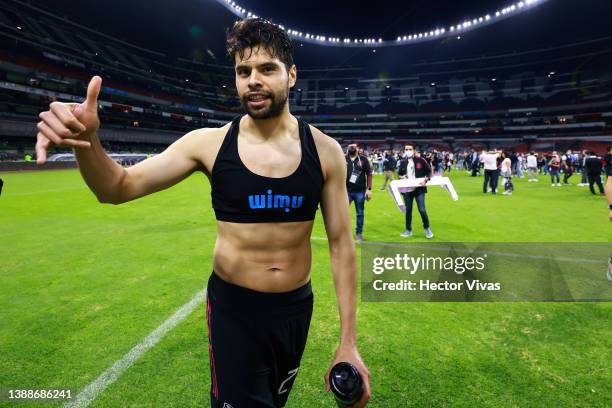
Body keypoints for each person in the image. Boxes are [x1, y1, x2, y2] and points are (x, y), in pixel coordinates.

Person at [34, 18, 370, 408]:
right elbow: (116, 188)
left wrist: (348, 342)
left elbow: (342, 246)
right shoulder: (207, 145)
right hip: (235, 312)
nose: (253, 80)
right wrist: (86, 141)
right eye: (243, 71)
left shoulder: (325, 151)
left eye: (266, 69)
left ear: (291, 75)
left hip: (295, 310)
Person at [397, 144, 434, 239]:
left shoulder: (421, 160)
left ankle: (427, 228)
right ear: (404, 151)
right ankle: (408, 230)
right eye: (406, 149)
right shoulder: (402, 162)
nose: (408, 150)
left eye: (410, 149)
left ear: (413, 150)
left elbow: (429, 172)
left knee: (422, 209)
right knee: (408, 210)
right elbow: (399, 175)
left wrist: (426, 180)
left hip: (419, 189)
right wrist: (402, 177)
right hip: (407, 190)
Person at [346, 143, 373, 242]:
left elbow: (369, 173)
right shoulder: (343, 159)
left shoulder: (363, 159)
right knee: (342, 213)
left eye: (354, 146)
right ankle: (344, 234)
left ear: (357, 149)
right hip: (346, 191)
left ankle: (359, 233)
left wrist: (369, 189)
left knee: (360, 213)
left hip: (360, 192)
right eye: (350, 146)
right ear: (348, 149)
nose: (352, 148)